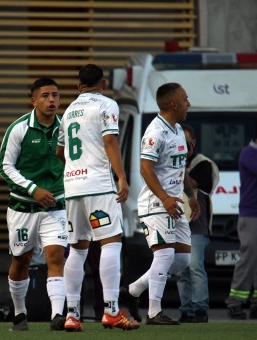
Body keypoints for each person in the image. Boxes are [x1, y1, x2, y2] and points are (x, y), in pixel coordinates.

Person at [56, 64, 138, 331]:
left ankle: (71, 315)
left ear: (79, 87)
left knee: (77, 250)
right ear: (103, 84)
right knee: (111, 244)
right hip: (98, 184)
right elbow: (110, 141)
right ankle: (111, 311)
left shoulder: (68, 112)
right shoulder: (106, 105)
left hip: (72, 186)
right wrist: (122, 177)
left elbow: (60, 152)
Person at [119, 83, 200, 325]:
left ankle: (132, 291)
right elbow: (145, 169)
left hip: (175, 203)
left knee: (183, 259)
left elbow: (179, 167)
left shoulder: (176, 130)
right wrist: (164, 198)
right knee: (164, 255)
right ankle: (154, 313)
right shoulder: (155, 132)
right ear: (174, 104)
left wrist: (191, 195)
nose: (189, 103)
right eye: (185, 99)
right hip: (157, 204)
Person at [0, 77, 68, 331]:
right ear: (34, 100)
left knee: (56, 256)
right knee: (21, 261)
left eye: (56, 95)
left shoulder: (66, 128)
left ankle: (58, 315)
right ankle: (19, 313)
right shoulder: (19, 128)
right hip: (23, 207)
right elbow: (4, 167)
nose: (52, 100)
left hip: (56, 205)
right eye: (46, 96)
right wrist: (33, 189)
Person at [176, 124, 219, 323]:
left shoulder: (203, 164)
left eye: (186, 141)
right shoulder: (175, 161)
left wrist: (179, 160)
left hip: (197, 226)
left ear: (193, 141)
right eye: (179, 142)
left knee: (195, 266)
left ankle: (200, 308)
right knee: (182, 270)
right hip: (178, 224)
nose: (183, 145)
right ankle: (186, 309)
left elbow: (190, 182)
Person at [225, 134, 257, 320]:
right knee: (248, 257)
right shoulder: (248, 153)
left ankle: (254, 304)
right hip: (251, 214)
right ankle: (235, 302)